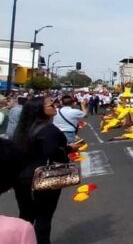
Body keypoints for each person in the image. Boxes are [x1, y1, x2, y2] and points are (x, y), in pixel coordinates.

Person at [13, 97, 84, 244]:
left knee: (26, 215)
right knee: (44, 217)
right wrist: (69, 148)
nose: (55, 106)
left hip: (21, 178)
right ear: (40, 109)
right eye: (50, 104)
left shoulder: (24, 128)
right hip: (43, 178)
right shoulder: (48, 129)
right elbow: (53, 152)